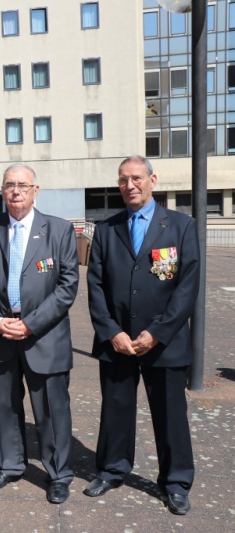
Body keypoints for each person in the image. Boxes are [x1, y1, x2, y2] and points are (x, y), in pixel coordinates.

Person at [85, 155, 200, 515]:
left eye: (136, 178)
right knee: (116, 410)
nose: (129, 185)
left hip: (163, 342)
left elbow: (187, 287)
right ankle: (112, 468)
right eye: (122, 180)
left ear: (153, 180)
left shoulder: (181, 226)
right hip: (117, 341)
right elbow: (96, 286)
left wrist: (158, 332)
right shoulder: (106, 229)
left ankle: (175, 482)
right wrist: (111, 331)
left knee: (170, 416)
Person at [0, 164, 79, 503]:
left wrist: (30, 323)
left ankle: (58, 473)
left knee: (51, 410)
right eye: (9, 185)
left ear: (35, 190)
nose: (16, 191)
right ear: (2, 191)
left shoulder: (59, 230)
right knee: (5, 406)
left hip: (43, 336)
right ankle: (10, 464)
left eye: (22, 185)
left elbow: (67, 286)